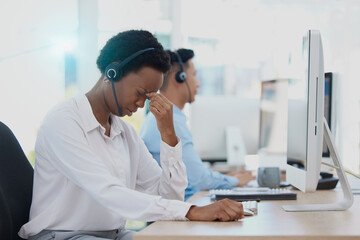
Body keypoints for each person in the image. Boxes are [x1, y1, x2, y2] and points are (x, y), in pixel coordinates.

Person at [19, 31, 245, 240]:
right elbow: (107, 191)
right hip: (61, 235)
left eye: (149, 96)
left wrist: (168, 135)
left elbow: (170, 198)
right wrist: (192, 211)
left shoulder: (123, 131)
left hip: (113, 235)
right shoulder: (64, 121)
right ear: (112, 72)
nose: (141, 104)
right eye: (139, 93)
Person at [140, 48, 255, 200]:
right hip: (175, 213)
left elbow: (195, 173)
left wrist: (224, 178)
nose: (198, 83)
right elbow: (199, 179)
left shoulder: (167, 117)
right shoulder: (168, 120)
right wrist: (234, 181)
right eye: (194, 75)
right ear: (179, 77)